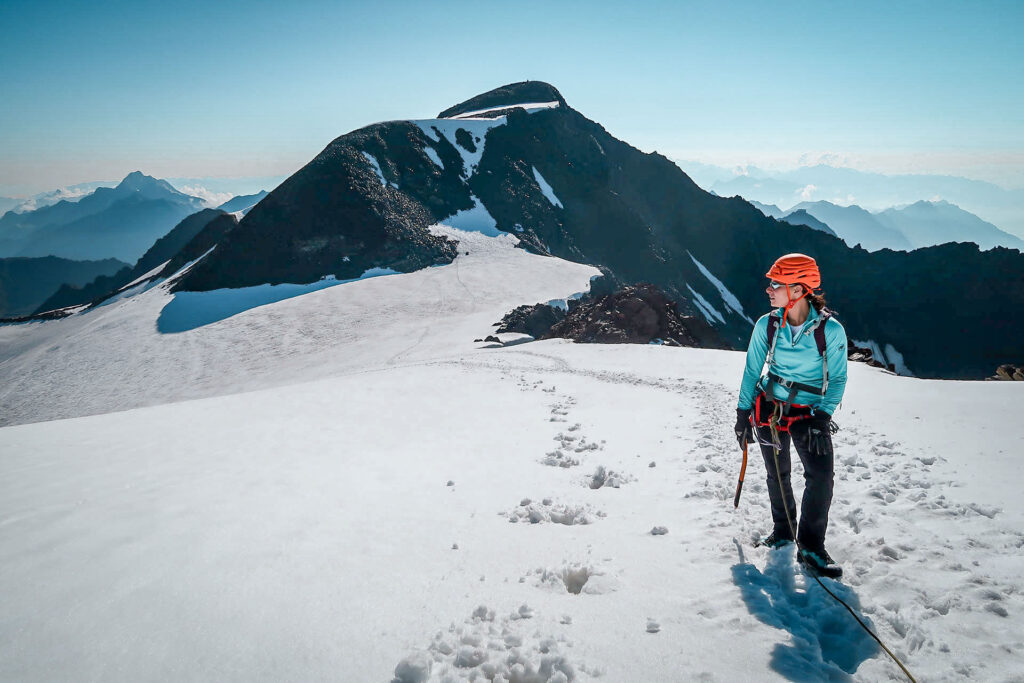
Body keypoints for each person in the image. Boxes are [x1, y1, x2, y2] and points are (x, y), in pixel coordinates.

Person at [734, 253, 848, 576]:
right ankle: (784, 532)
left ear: (798, 290)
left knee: (821, 477)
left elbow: (838, 378)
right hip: (771, 410)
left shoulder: (831, 332)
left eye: (775, 284)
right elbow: (752, 370)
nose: (768, 290)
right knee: (777, 474)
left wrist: (823, 417)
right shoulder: (767, 325)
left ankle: (810, 545)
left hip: (811, 415)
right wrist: (743, 414)